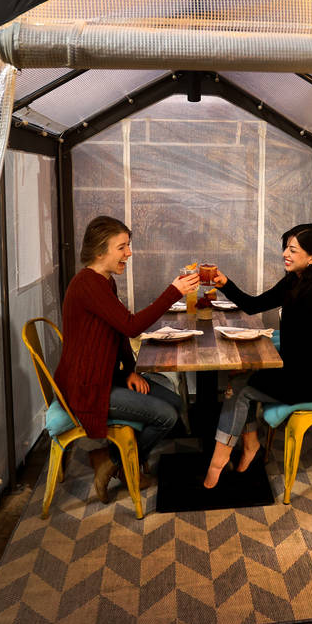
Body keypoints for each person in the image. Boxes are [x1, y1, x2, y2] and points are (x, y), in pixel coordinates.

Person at [54, 215, 200, 503]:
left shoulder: (104, 282)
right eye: (122, 247)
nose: (129, 253)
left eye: (128, 246)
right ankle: (112, 460)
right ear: (100, 251)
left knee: (174, 402)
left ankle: (114, 459)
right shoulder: (88, 285)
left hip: (106, 377)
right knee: (166, 417)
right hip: (86, 387)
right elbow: (132, 326)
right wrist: (174, 292)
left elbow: (119, 332)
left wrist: (131, 371)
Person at [204, 223, 312, 488]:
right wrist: (225, 283)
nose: (285, 254)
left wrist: (259, 365)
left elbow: (306, 351)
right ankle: (248, 446)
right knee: (239, 380)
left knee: (239, 387)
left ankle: (219, 461)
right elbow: (254, 305)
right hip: (301, 368)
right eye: (286, 248)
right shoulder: (297, 280)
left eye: (293, 250)